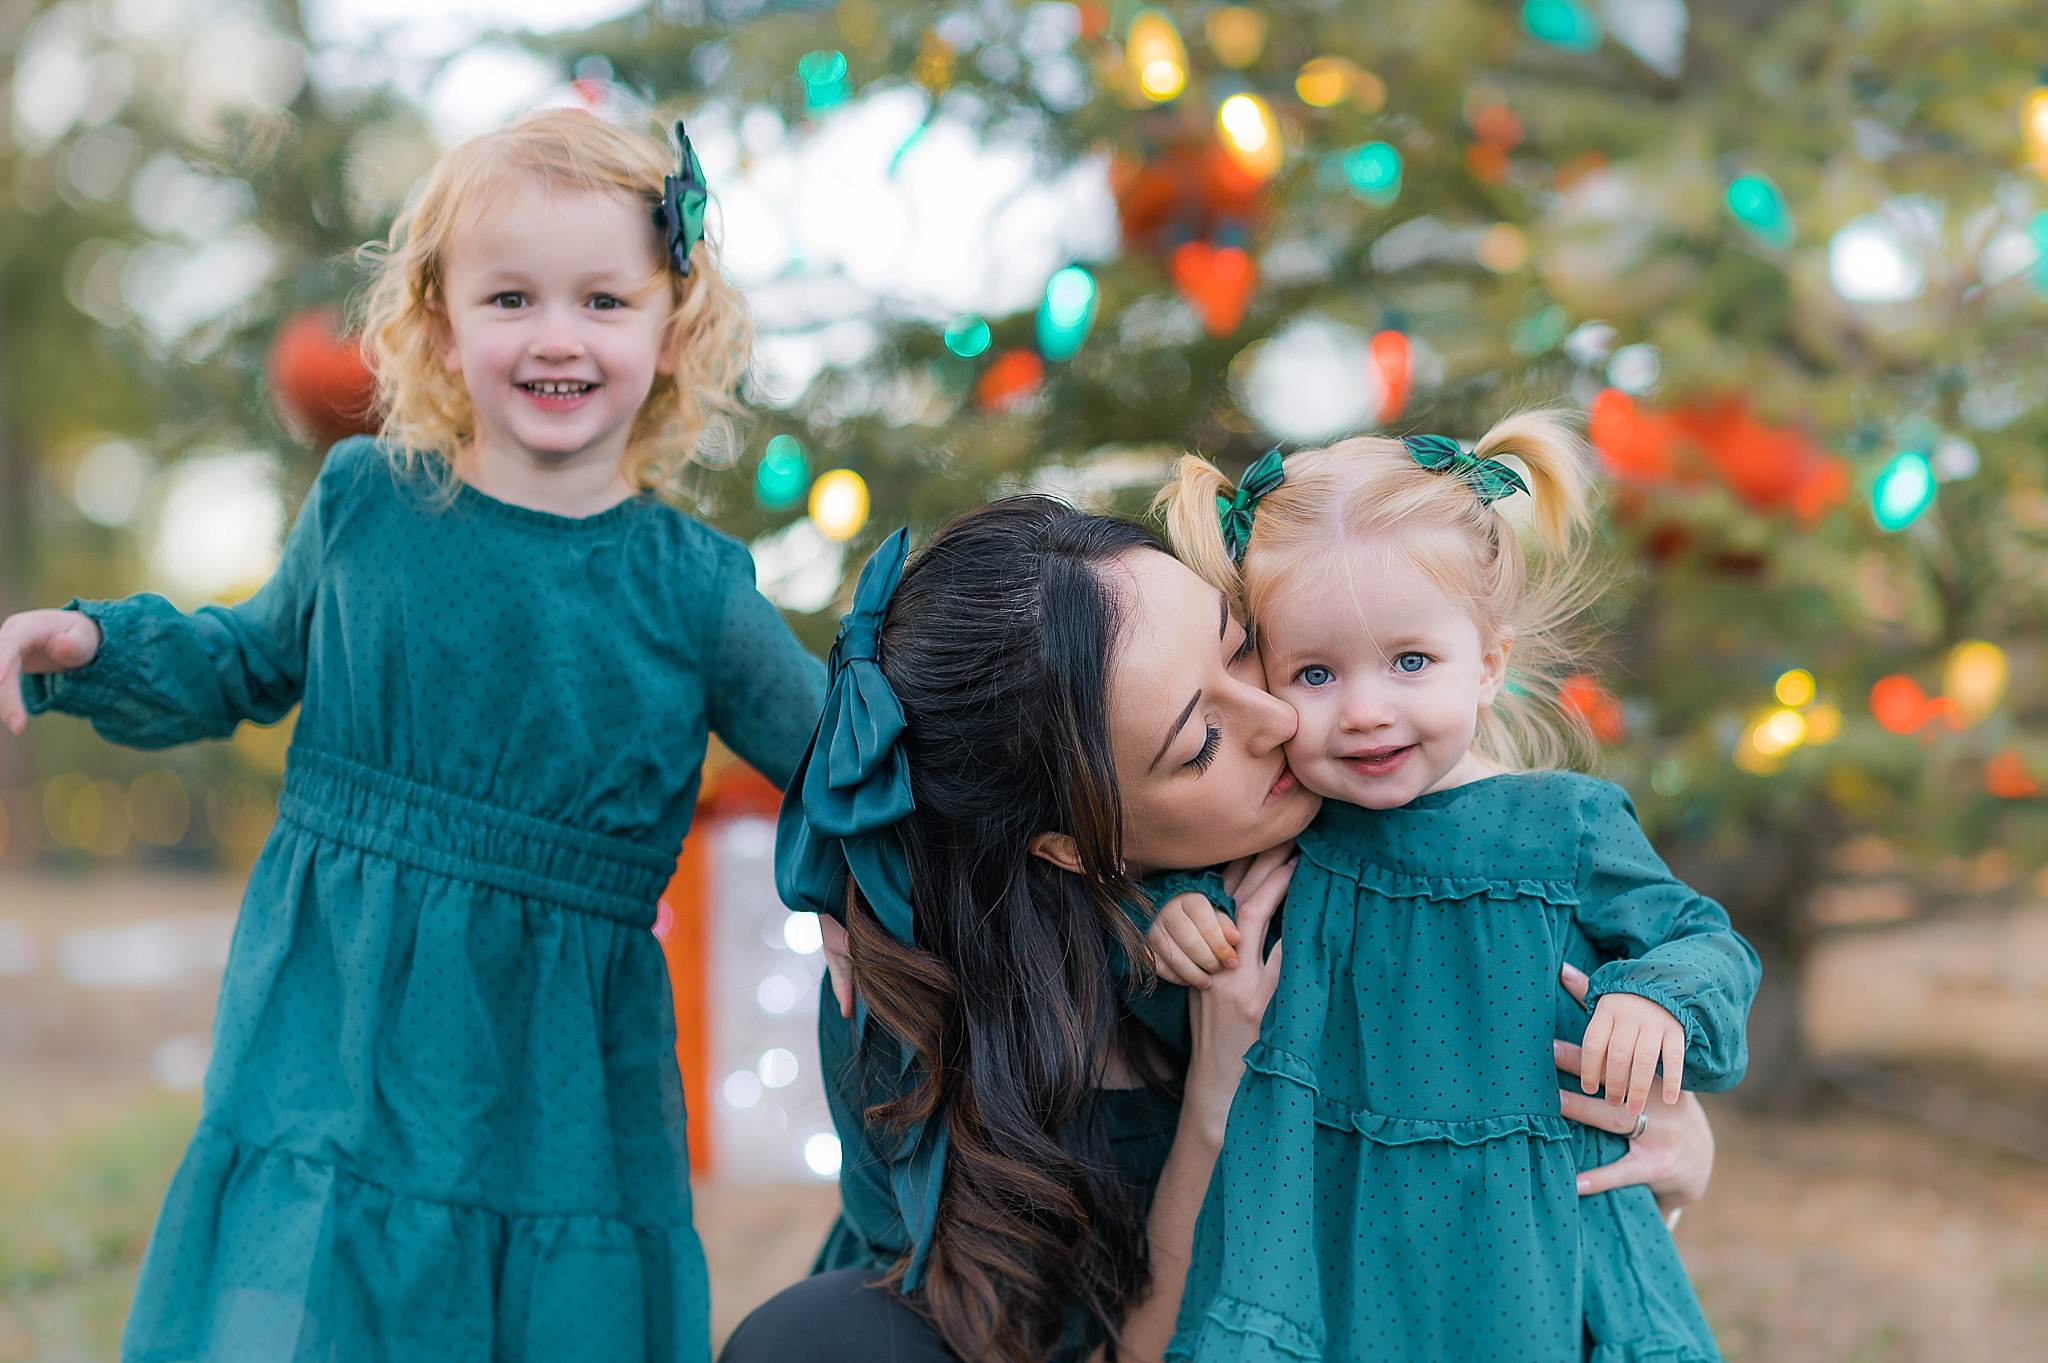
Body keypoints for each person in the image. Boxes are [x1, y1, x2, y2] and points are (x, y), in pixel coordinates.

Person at [0, 111, 823, 1362]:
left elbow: (838, 763)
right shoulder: (365, 505)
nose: (557, 335)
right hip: (334, 1050)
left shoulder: (693, 589)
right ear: (441, 323)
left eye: (604, 300)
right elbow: (242, 664)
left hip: (557, 1094)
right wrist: (91, 647)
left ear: (672, 327)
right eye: (510, 298)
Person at [719, 496, 1719, 1363]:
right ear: (1069, 845)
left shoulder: (1365, 815)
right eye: (1199, 741)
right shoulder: (924, 1016)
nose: (1282, 718)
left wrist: (1650, 1118)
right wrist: (1214, 1091)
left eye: (1243, 644)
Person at [1147, 417, 1760, 1361]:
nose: (1364, 710)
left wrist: (1658, 1000)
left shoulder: (1564, 826)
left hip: (1532, 1249)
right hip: (1339, 1251)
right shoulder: (1290, 826)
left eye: (1410, 661)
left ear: (1489, 665)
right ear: (1262, 678)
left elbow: (1705, 942)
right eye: (1315, 672)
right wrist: (1180, 913)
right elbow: (1174, 888)